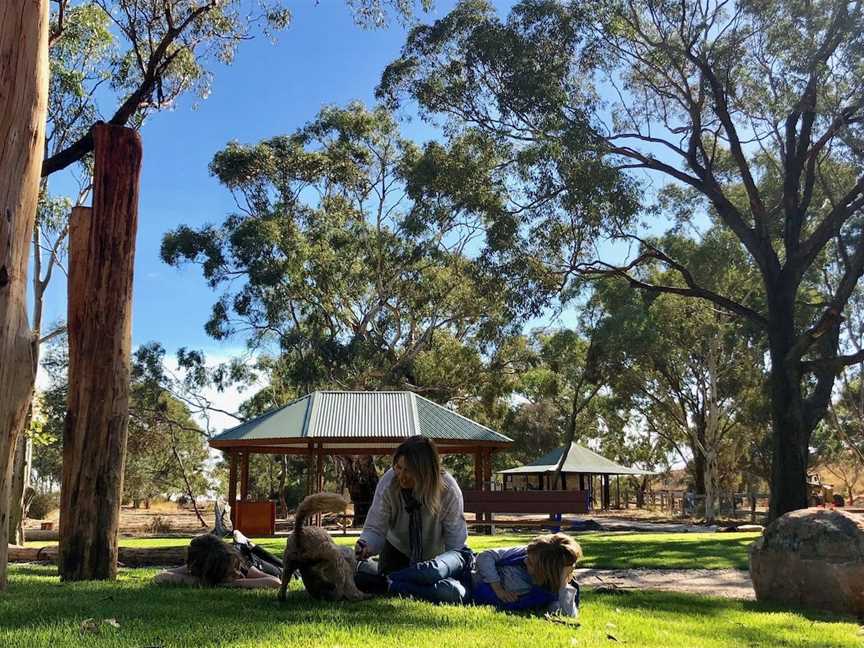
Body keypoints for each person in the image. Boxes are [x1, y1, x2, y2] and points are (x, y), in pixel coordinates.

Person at [362, 532, 582, 618]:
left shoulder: (546, 592)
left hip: (470, 589)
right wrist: (498, 587)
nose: (526, 561)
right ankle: (379, 575)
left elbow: (568, 614)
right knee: (433, 571)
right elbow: (486, 556)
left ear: (547, 572)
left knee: (449, 593)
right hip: (466, 561)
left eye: (532, 564)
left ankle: (386, 584)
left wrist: (563, 581)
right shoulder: (522, 553)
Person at [354, 436, 468, 575]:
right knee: (386, 581)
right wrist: (365, 545)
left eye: (408, 470)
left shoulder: (449, 491)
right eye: (398, 467)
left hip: (437, 556)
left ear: (425, 471)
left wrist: (453, 568)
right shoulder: (389, 483)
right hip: (397, 548)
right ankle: (365, 567)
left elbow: (455, 539)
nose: (401, 476)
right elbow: (375, 527)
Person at [153, 533, 281, 589]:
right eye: (230, 573)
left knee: (281, 567)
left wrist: (236, 583)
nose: (236, 573)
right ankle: (245, 543)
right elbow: (160, 576)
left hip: (265, 566)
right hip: (239, 553)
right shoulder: (199, 567)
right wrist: (202, 582)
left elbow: (276, 582)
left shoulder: (239, 563)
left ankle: (248, 544)